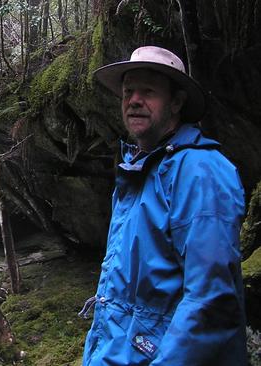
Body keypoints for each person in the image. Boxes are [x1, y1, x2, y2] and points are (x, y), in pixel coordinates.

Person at [79, 46, 247, 365]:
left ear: (177, 102)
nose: (134, 100)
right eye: (128, 91)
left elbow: (210, 302)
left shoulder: (199, 171)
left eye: (148, 91)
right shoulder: (138, 172)